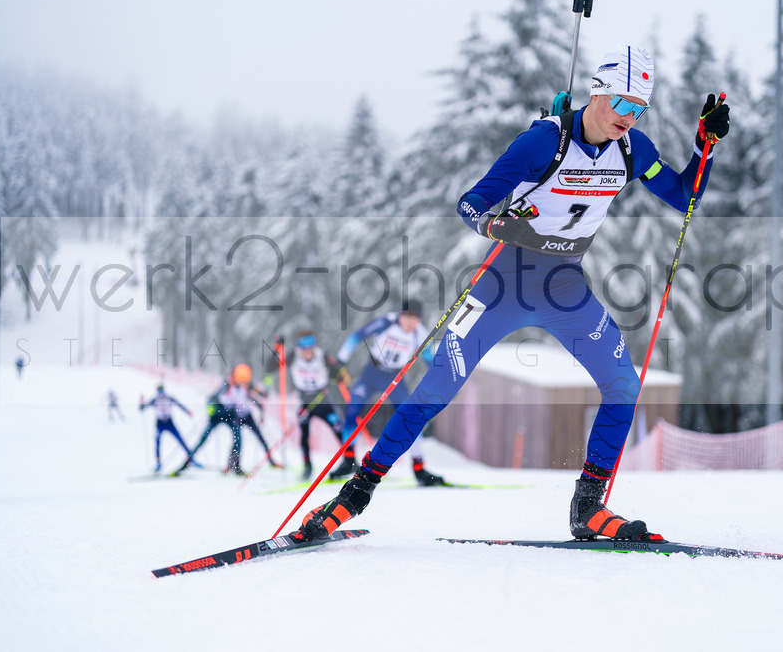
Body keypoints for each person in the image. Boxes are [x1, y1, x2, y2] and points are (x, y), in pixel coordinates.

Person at [300, 45, 729, 542]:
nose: (629, 119)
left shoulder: (635, 152)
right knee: (433, 393)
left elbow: (685, 195)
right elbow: (470, 201)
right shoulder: (542, 142)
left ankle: (588, 507)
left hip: (563, 286)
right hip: (501, 285)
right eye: (622, 105)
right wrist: (491, 223)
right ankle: (354, 495)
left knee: (624, 386)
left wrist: (705, 147)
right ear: (598, 93)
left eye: (640, 110)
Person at [333, 301, 447, 486]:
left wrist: (443, 381)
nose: (411, 322)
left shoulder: (420, 334)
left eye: (416, 319)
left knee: (412, 418)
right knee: (352, 411)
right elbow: (357, 336)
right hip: (371, 373)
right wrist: (340, 361)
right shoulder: (387, 322)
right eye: (408, 317)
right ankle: (348, 460)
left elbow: (430, 362)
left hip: (394, 378)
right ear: (401, 315)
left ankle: (419, 469)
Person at [267, 330, 349, 481]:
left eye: (310, 348)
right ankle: (307, 466)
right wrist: (277, 348)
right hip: (304, 401)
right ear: (299, 348)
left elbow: (337, 373)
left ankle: (350, 461)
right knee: (304, 435)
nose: (307, 352)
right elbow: (270, 367)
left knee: (339, 429)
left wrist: (340, 375)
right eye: (304, 349)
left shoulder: (322, 356)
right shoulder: (292, 356)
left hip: (322, 400)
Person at [176, 364, 281, 476]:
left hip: (233, 415)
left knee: (239, 440)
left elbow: (260, 395)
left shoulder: (247, 385)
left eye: (245, 381)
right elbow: (212, 398)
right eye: (241, 380)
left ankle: (236, 466)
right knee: (203, 439)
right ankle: (186, 463)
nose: (244, 383)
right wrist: (211, 407)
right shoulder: (227, 384)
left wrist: (267, 387)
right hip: (219, 414)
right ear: (236, 377)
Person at [139, 385, 196, 473]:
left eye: (161, 391)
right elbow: (142, 409)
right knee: (157, 443)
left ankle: (191, 458)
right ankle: (158, 463)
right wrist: (141, 403)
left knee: (180, 439)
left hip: (170, 423)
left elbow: (179, 404)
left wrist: (187, 411)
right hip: (160, 424)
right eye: (159, 391)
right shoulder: (154, 400)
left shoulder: (169, 398)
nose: (161, 393)